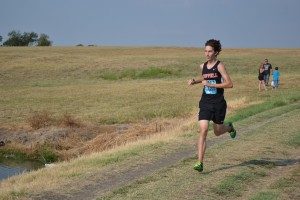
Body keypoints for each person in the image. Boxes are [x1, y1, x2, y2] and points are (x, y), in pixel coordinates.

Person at [188, 39, 236, 172]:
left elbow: (229, 84)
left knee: (217, 132)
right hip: (205, 102)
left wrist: (211, 85)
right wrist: (195, 81)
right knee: (203, 130)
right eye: (205, 51)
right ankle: (200, 162)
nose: (207, 54)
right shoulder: (202, 66)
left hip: (218, 103)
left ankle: (229, 127)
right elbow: (205, 78)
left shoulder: (220, 66)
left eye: (210, 51)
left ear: (216, 53)